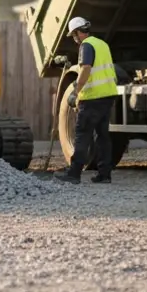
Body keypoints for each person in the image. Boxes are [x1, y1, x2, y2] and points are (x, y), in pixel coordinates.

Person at [54, 16, 117, 184]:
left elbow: (86, 69)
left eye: (74, 35)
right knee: (103, 136)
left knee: (82, 135)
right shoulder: (102, 44)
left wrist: (76, 91)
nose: (74, 39)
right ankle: (104, 174)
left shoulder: (86, 46)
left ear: (78, 33)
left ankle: (74, 174)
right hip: (107, 95)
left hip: (92, 98)